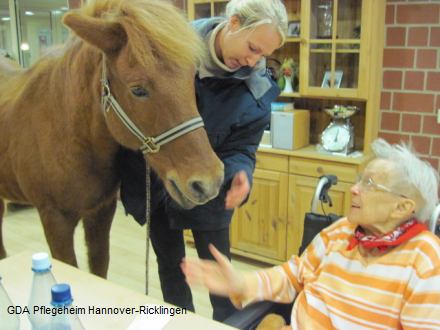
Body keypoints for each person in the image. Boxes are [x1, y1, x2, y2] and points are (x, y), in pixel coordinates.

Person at [117, 0, 288, 321]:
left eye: (262, 55)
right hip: (159, 179)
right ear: (233, 23)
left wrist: (241, 173)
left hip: (211, 187)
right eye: (252, 47)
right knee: (171, 267)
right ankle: (181, 323)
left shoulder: (259, 84)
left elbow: (242, 147)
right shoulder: (169, 47)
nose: (253, 61)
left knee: (219, 274)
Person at [181, 138, 440, 329]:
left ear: (402, 207)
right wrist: (242, 283)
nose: (353, 189)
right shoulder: (341, 231)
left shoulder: (426, 262)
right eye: (360, 179)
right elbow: (293, 275)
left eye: (369, 184)